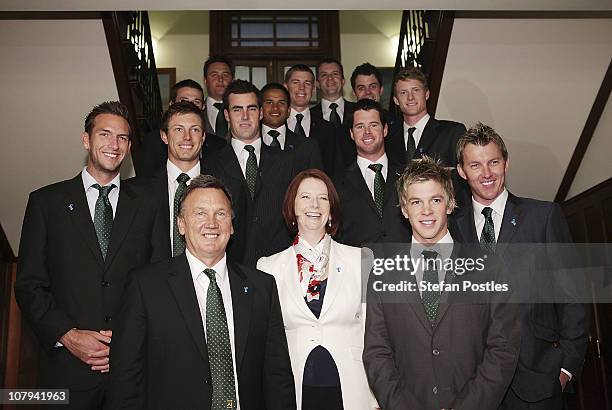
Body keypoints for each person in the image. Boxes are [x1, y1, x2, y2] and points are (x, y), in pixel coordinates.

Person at [15, 101, 168, 409]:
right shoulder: (45, 203)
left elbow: (159, 281)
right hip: (64, 372)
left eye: (123, 137)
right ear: (86, 140)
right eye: (105, 134)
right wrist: (68, 336)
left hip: (129, 373)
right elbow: (29, 284)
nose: (114, 145)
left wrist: (127, 343)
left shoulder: (149, 205)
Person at [105, 175, 296, 409]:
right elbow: (126, 379)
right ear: (181, 224)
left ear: (232, 225)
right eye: (200, 213)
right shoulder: (145, 286)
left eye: (221, 214)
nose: (212, 223)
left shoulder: (261, 287)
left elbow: (278, 377)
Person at [363, 156, 520, 410]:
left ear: (450, 204)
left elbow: (503, 349)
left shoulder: (489, 268)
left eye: (435, 200)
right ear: (404, 209)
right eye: (416, 202)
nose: (426, 211)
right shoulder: (383, 274)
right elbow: (377, 354)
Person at [454, 123, 589, 409]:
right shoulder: (450, 229)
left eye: (493, 162)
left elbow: (573, 296)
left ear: (506, 163)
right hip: (473, 384)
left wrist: (566, 367)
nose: (486, 173)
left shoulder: (543, 217)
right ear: (462, 171)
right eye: (475, 165)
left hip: (537, 380)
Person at [257, 169, 377, 410]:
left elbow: (373, 332)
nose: (314, 204)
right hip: (297, 387)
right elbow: (268, 344)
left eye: (323, 198)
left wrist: (376, 396)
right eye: (305, 197)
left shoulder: (361, 259)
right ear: (292, 207)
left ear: (331, 208)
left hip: (352, 387)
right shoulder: (268, 267)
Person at [203, 80, 300, 266]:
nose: (245, 116)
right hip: (228, 268)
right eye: (237, 109)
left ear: (261, 113)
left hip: (278, 268)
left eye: (252, 109)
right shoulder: (210, 164)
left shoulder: (288, 162)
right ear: (227, 115)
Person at [145, 101, 244, 259]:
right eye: (178, 129)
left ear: (203, 137)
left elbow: (240, 245)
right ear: (164, 136)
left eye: (195, 130)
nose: (187, 137)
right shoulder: (141, 190)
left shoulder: (230, 186)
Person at [334, 99, 410, 247]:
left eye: (373, 125)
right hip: (357, 266)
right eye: (360, 126)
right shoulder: (336, 183)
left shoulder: (408, 175)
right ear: (351, 133)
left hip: (405, 265)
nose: (367, 132)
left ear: (385, 129)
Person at [136, 78, 226, 177]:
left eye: (196, 102)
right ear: (171, 104)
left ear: (203, 107)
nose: (190, 105)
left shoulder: (219, 145)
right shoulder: (153, 141)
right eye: (184, 101)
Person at [284, 64, 339, 176]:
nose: (301, 88)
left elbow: (334, 170)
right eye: (296, 82)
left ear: (313, 89)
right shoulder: (275, 126)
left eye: (307, 83)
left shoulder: (328, 129)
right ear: (285, 87)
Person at [261, 82, 323, 170]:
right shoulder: (248, 144)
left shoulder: (308, 147)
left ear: (289, 110)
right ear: (260, 110)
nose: (275, 108)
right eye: (269, 102)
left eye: (281, 103)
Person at [311, 58, 358, 168]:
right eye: (324, 75)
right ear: (317, 84)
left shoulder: (358, 112)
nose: (330, 78)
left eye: (335, 74)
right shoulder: (309, 116)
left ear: (343, 81)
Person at [203, 55, 235, 137]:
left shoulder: (243, 111)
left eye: (225, 75)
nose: (220, 79)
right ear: (205, 80)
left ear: (232, 80)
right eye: (214, 75)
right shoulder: (197, 109)